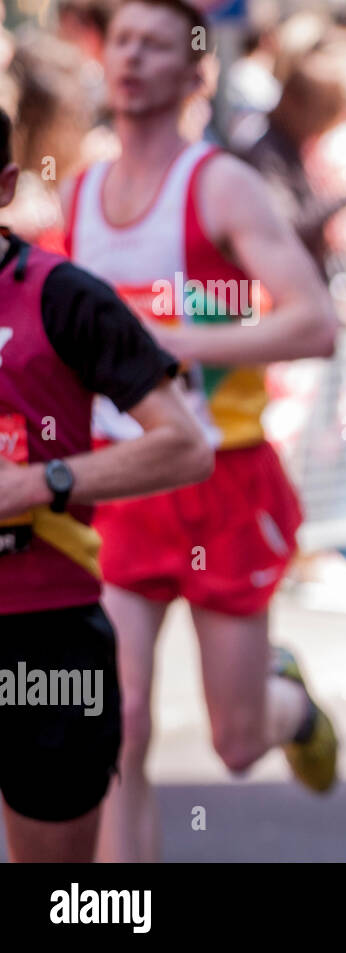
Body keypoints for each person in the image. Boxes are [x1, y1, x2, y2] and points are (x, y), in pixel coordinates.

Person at [61, 0, 339, 862]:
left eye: (156, 43)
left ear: (195, 72)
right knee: (123, 720)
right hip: (120, 484)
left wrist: (176, 343)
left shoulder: (219, 184)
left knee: (235, 742)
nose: (133, 57)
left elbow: (315, 324)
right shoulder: (79, 190)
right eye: (122, 40)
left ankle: (286, 700)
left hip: (222, 482)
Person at [0, 105, 213, 862]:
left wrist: (38, 483)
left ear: (5, 188)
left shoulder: (62, 296)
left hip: (43, 636)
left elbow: (186, 446)